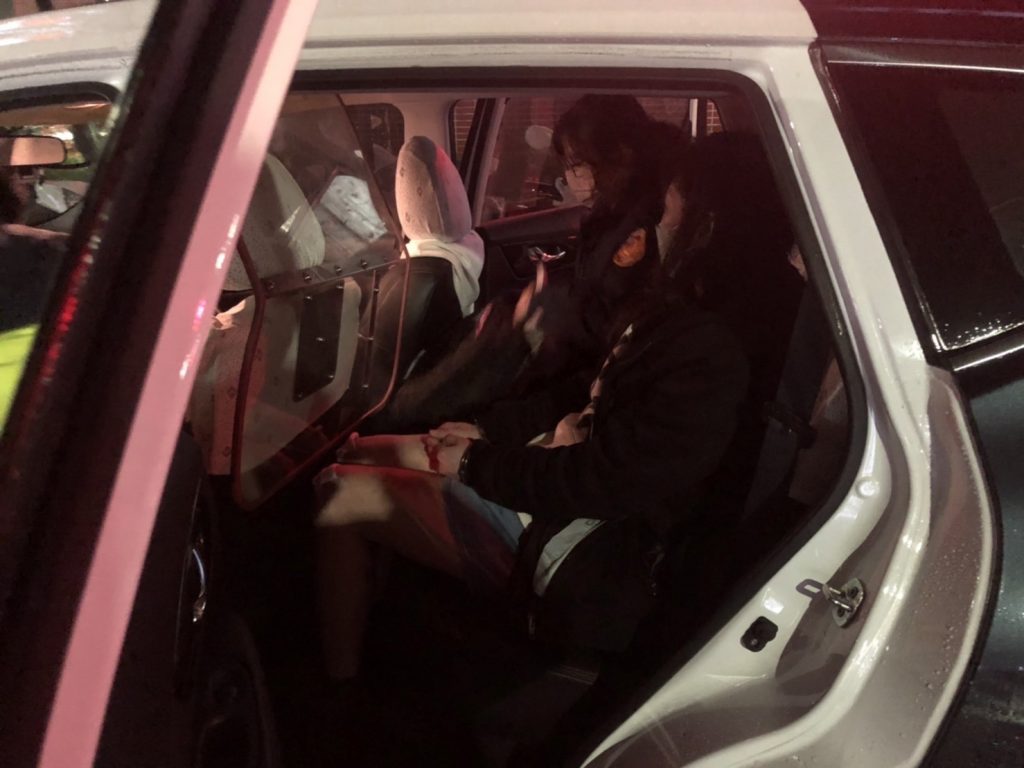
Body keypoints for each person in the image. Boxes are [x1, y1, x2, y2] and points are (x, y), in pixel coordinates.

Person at [313, 241, 747, 680]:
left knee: (336, 491)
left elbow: (605, 480)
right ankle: (373, 615)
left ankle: (341, 685)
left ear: (705, 230)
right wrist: (488, 430)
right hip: (538, 469)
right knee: (355, 453)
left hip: (564, 535)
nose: (633, 236)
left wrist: (474, 463)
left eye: (657, 218)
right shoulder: (662, 319)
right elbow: (580, 391)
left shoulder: (708, 354)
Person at [379, 94, 689, 430]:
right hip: (565, 348)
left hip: (578, 366)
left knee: (434, 399)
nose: (570, 176)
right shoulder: (611, 216)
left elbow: (606, 323)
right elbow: (592, 292)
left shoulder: (635, 232)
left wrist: (540, 317)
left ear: (614, 158)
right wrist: (532, 303)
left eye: (576, 164)